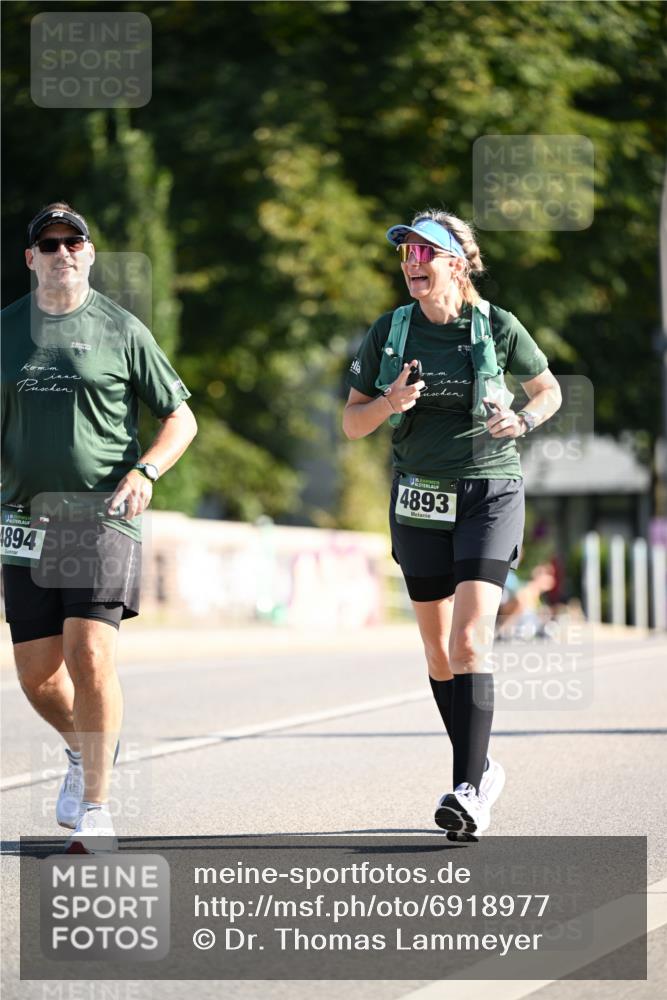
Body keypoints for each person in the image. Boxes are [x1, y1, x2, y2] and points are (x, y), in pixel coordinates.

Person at [343, 209, 561, 839]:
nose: (411, 263)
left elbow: (547, 390)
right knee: (439, 654)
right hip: (418, 498)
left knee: (470, 642)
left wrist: (521, 420)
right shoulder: (390, 332)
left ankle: (468, 789)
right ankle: (482, 766)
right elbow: (354, 422)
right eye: (406, 254)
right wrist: (389, 403)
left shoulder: (497, 325)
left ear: (456, 264)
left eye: (424, 254)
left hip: (489, 489)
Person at [1, 202, 197, 852]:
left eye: (72, 243)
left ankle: (96, 810)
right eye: (48, 244)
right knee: (36, 675)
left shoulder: (121, 329)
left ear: (88, 255)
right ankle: (84, 752)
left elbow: (180, 418)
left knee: (87, 654)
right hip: (24, 521)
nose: (61, 253)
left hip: (98, 514)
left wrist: (145, 471)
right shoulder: (5, 331)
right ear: (31, 258)